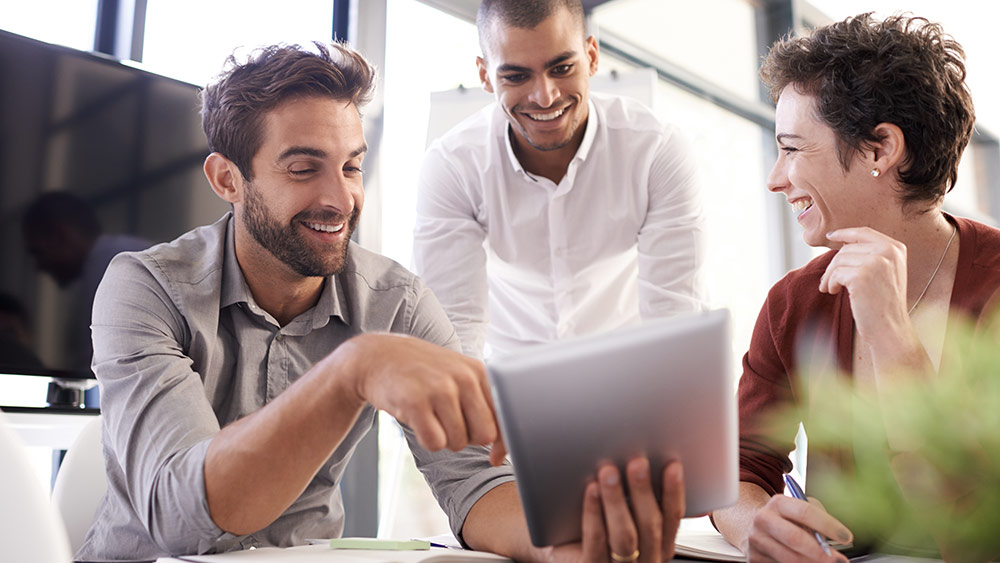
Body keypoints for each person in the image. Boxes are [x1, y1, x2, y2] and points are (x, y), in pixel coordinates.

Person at [77, 41, 686, 563]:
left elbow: (474, 481)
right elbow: (182, 518)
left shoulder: (395, 301)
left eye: (350, 167)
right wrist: (354, 369)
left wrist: (560, 543)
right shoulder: (144, 289)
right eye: (303, 169)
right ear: (227, 179)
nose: (338, 199)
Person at [710, 13, 998, 562]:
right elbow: (739, 467)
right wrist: (757, 527)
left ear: (878, 150)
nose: (774, 177)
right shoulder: (794, 302)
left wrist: (891, 334)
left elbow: (975, 529)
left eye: (792, 149)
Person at [413, 0, 706, 359]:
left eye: (562, 67)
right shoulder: (453, 167)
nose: (545, 96)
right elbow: (453, 329)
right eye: (516, 76)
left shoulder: (656, 151)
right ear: (485, 76)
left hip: (629, 372)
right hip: (510, 380)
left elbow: (675, 315)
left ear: (592, 56)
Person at [21, 192, 151, 376]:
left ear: (61, 236)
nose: (38, 267)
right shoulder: (120, 256)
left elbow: (96, 367)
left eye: (37, 252)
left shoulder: (114, 267)